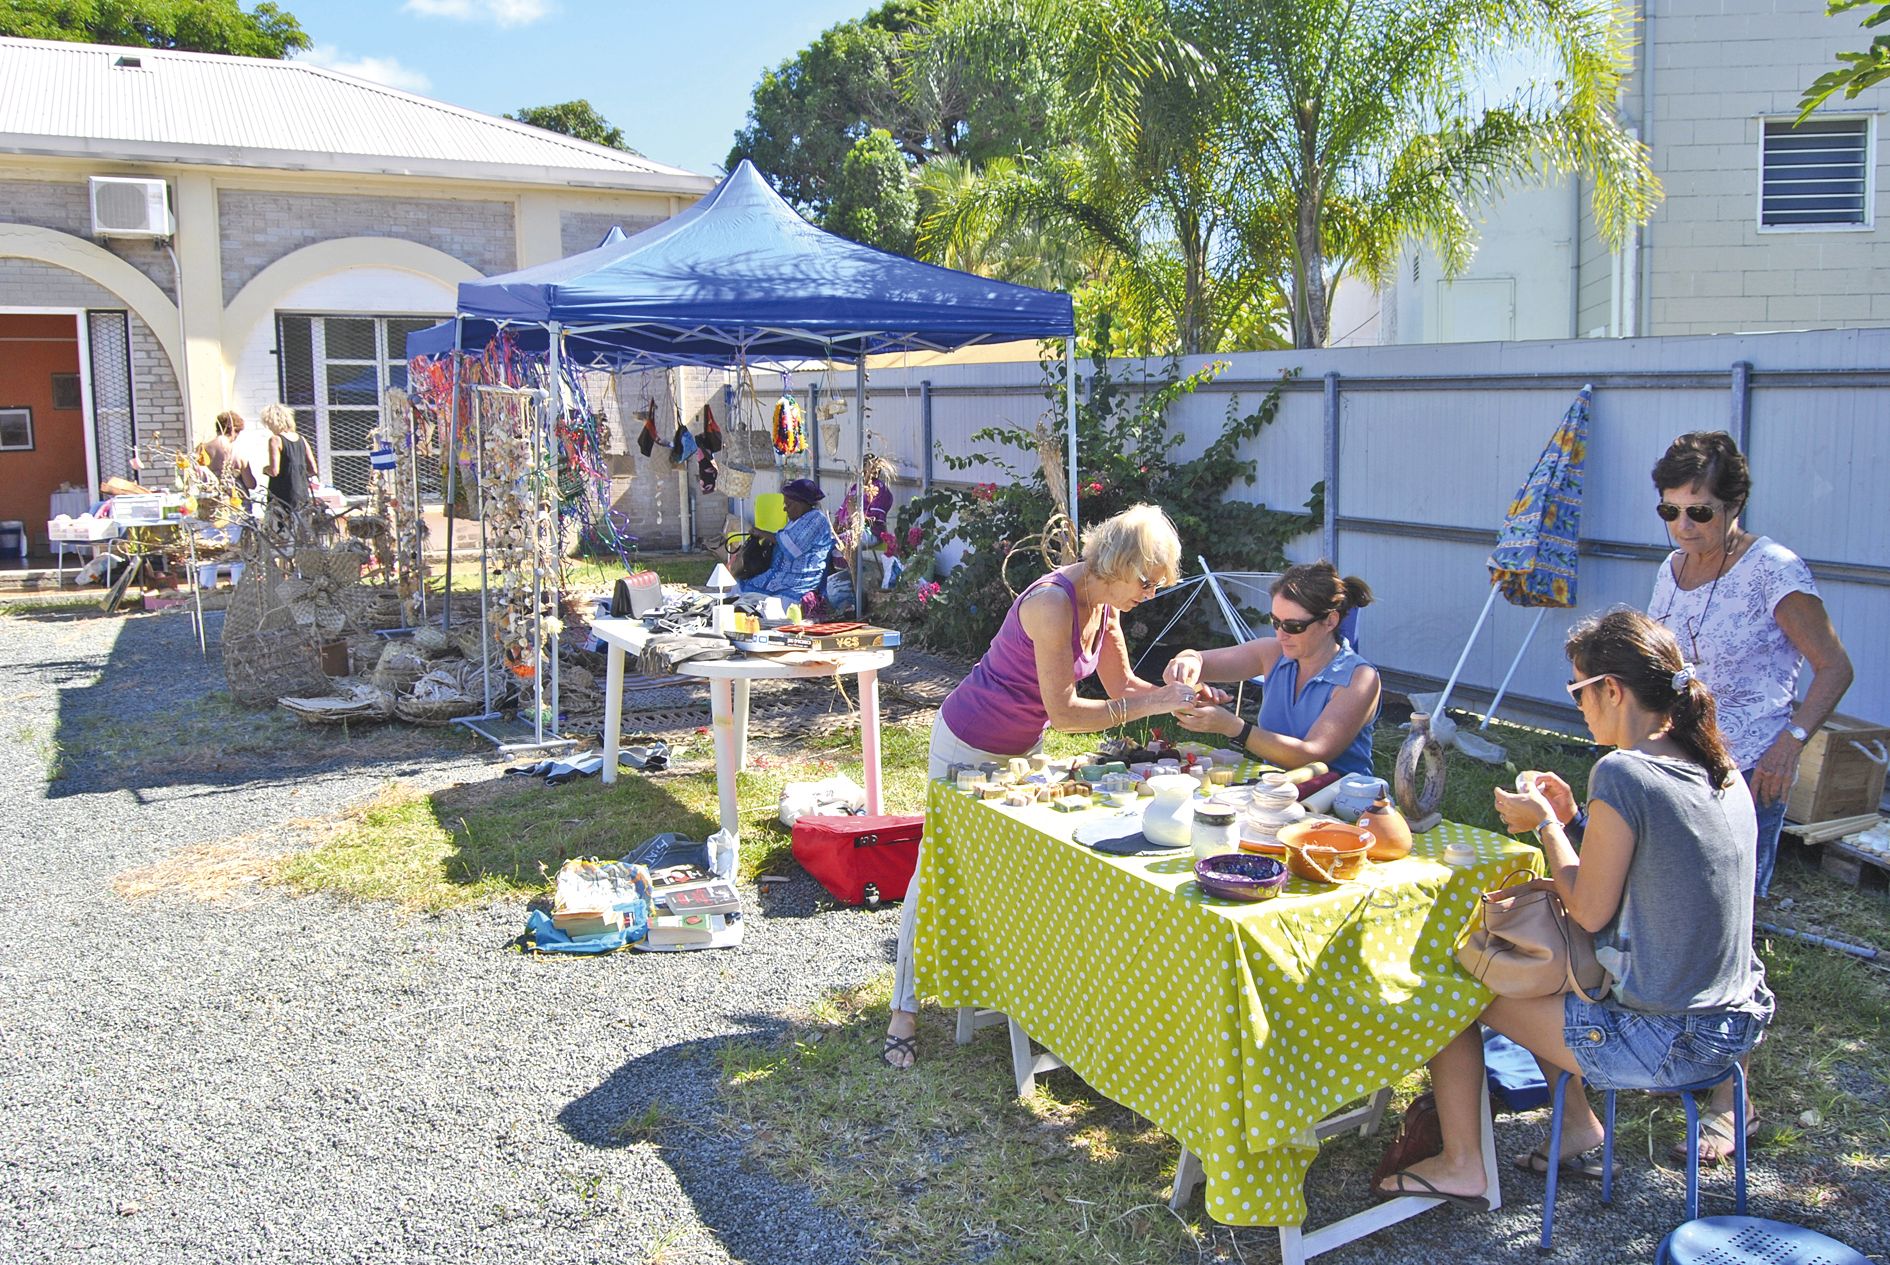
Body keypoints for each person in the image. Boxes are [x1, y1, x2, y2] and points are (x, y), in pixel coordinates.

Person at [1372, 608, 1774, 1210]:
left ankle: (1463, 1165)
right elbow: (1656, 861)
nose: (1579, 706)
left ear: (1611, 689)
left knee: (1451, 987)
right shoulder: (1717, 763)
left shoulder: (1623, 772)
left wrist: (1550, 827)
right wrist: (1581, 821)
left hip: (1664, 1040)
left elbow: (1588, 910)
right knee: (1539, 972)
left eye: (1577, 689)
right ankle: (1575, 1128)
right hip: (1733, 1025)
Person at [883, 504, 1201, 1068]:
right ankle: (903, 1011)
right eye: (1147, 582)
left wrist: (1180, 690)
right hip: (967, 743)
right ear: (1118, 562)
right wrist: (1151, 703)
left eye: (1160, 586)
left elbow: (1122, 685)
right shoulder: (1054, 602)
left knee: (1020, 871)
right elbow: (1066, 713)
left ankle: (1026, 1000)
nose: (1150, 595)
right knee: (936, 873)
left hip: (1020, 750)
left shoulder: (1105, 605)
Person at [1645, 431, 1850, 1160]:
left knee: (1732, 930)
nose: (1682, 527)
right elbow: (1660, 665)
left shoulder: (1774, 570)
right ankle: (1670, 1056)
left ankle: (1737, 1104)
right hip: (1677, 767)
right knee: (1668, 914)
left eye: (1698, 512)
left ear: (1734, 505)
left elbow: (1832, 667)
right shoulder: (1671, 569)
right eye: (1669, 509)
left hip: (1747, 775)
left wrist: (1791, 741)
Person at [1164, 562, 1379, 776]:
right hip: (1278, 792)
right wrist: (1187, 666)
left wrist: (1234, 727)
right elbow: (1195, 663)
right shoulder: (1272, 652)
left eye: (1293, 626)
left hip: (1342, 802)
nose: (1281, 634)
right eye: (1276, 622)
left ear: (1330, 621)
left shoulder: (1360, 678)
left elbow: (1312, 757)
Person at [739, 478, 837, 606]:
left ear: (801, 503)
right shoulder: (797, 519)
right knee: (740, 588)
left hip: (799, 579)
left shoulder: (816, 519)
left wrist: (762, 533)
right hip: (782, 575)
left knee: (771, 602)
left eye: (788, 504)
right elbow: (784, 538)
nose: (785, 509)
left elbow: (791, 546)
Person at [260, 403, 317, 524]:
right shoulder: (302, 439)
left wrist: (265, 469)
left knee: (280, 533)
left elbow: (274, 471)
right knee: (300, 531)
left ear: (272, 422)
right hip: (302, 494)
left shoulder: (275, 440)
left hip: (282, 495)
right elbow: (313, 470)